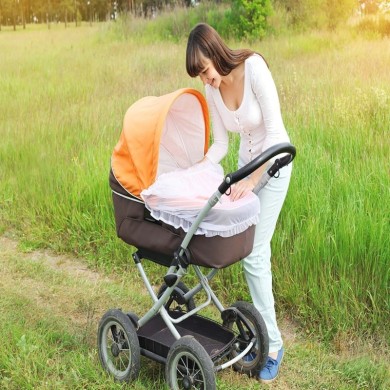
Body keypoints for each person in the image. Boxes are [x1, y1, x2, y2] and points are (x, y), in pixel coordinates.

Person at [186, 23, 292, 384]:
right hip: (245, 173)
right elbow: (220, 144)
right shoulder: (212, 89)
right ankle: (256, 330)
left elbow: (276, 135)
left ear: (216, 52)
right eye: (200, 74)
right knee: (233, 245)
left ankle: (273, 347)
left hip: (274, 167)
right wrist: (196, 169)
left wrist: (250, 181)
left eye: (206, 69)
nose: (206, 79)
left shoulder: (254, 68)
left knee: (255, 253)